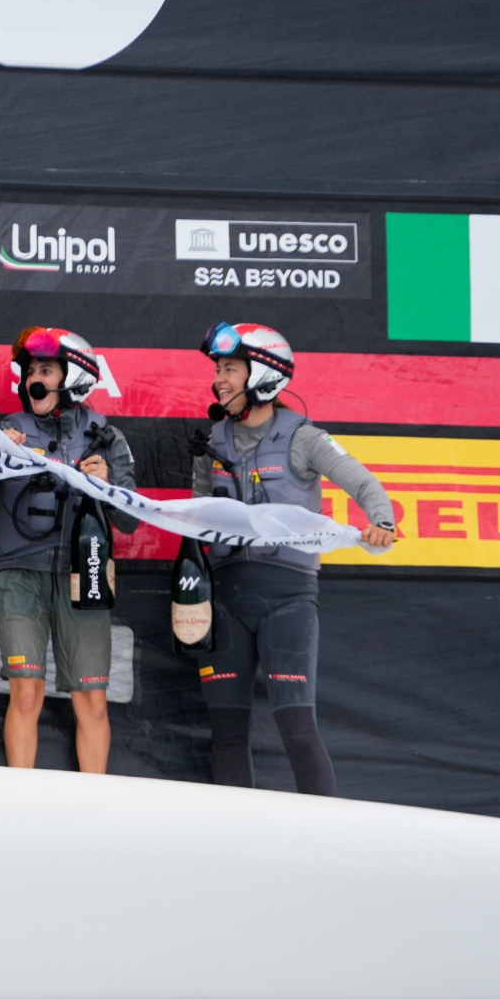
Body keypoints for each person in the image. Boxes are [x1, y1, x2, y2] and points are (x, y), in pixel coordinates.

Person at [193, 321, 396, 796]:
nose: (219, 379)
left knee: (298, 732)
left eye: (229, 369)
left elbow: (365, 484)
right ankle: (236, 848)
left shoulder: (304, 437)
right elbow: (198, 514)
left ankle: (325, 851)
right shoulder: (211, 441)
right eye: (218, 369)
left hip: (287, 599)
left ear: (263, 373)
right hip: (224, 600)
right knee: (225, 737)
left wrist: (380, 523)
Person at [0, 327, 137, 773]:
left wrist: (107, 486)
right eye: (30, 371)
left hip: (84, 574)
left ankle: (92, 809)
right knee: (25, 690)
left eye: (46, 370)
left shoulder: (108, 437)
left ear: (76, 378)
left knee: (91, 698)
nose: (34, 379)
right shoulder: (7, 428)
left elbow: (129, 521)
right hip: (17, 577)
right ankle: (20, 803)